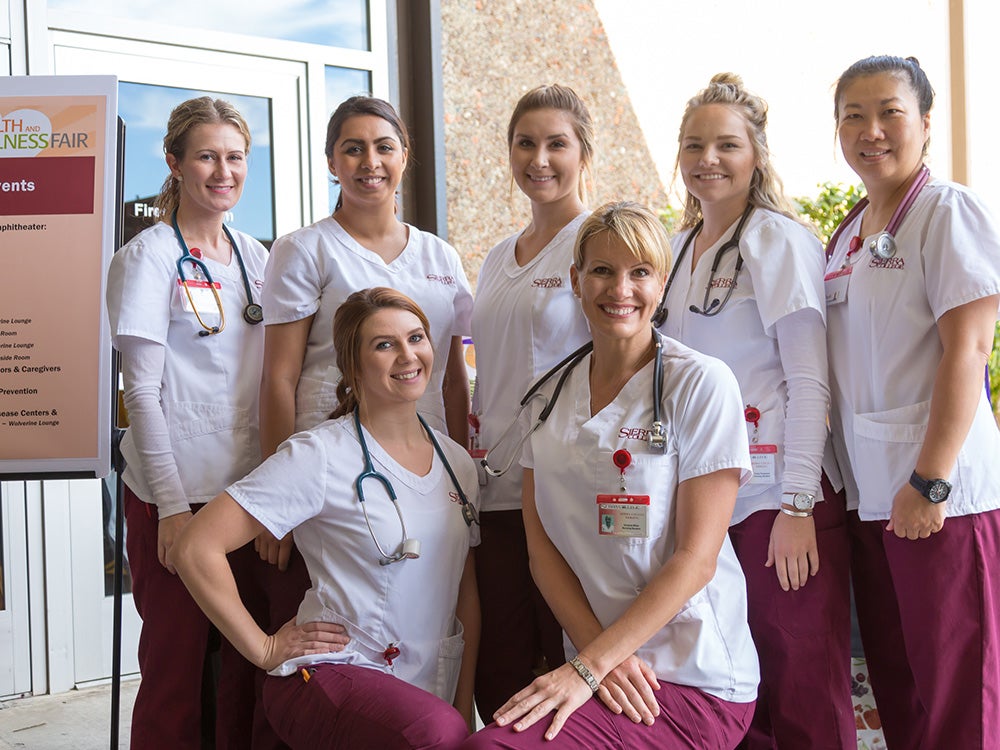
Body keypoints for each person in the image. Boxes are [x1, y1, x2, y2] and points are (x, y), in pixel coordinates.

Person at [463, 202, 759, 749]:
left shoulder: (701, 385)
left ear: (662, 282)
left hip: (690, 674)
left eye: (639, 272)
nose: (619, 289)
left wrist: (591, 665)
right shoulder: (548, 398)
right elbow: (541, 550)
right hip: (602, 667)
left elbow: (696, 560)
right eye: (601, 270)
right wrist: (596, 656)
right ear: (576, 280)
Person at [172, 287, 481, 750]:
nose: (407, 355)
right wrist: (265, 648)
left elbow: (465, 592)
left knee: (447, 731)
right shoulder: (320, 454)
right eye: (384, 344)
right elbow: (195, 548)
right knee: (434, 733)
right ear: (352, 367)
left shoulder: (456, 463)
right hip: (335, 674)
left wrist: (463, 705)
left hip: (426, 688)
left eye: (416, 337)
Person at [657, 73, 854, 748]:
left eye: (726, 145)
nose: (706, 159)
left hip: (777, 501)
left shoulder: (778, 241)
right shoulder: (681, 248)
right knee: (738, 687)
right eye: (693, 144)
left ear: (758, 155)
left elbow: (809, 383)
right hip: (711, 500)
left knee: (803, 687)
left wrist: (798, 505)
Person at [825, 55, 1000, 749]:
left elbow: (967, 353)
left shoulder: (947, 212)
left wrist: (930, 480)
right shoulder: (845, 235)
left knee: (960, 694)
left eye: (889, 112)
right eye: (853, 116)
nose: (872, 130)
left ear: (925, 123)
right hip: (873, 498)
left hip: (940, 498)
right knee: (901, 691)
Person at [105, 96, 268, 749]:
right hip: (174, 498)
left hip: (245, 497)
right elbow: (141, 393)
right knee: (177, 670)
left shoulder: (257, 258)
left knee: (239, 671)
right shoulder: (146, 258)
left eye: (234, 157)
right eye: (206, 156)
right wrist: (172, 511)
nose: (222, 171)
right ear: (174, 162)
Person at [256, 95, 473, 579]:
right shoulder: (304, 251)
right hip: (334, 471)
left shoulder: (441, 258)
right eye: (353, 149)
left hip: (428, 464)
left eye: (384, 147)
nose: (370, 162)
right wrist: (276, 502)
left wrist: (462, 479)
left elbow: (454, 382)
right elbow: (278, 378)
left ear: (404, 156)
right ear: (332, 162)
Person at [469, 83, 593, 719]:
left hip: (565, 489)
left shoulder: (597, 243)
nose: (539, 158)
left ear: (584, 153)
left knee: (564, 657)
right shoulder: (495, 258)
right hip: (495, 489)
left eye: (556, 144)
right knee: (504, 657)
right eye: (525, 143)